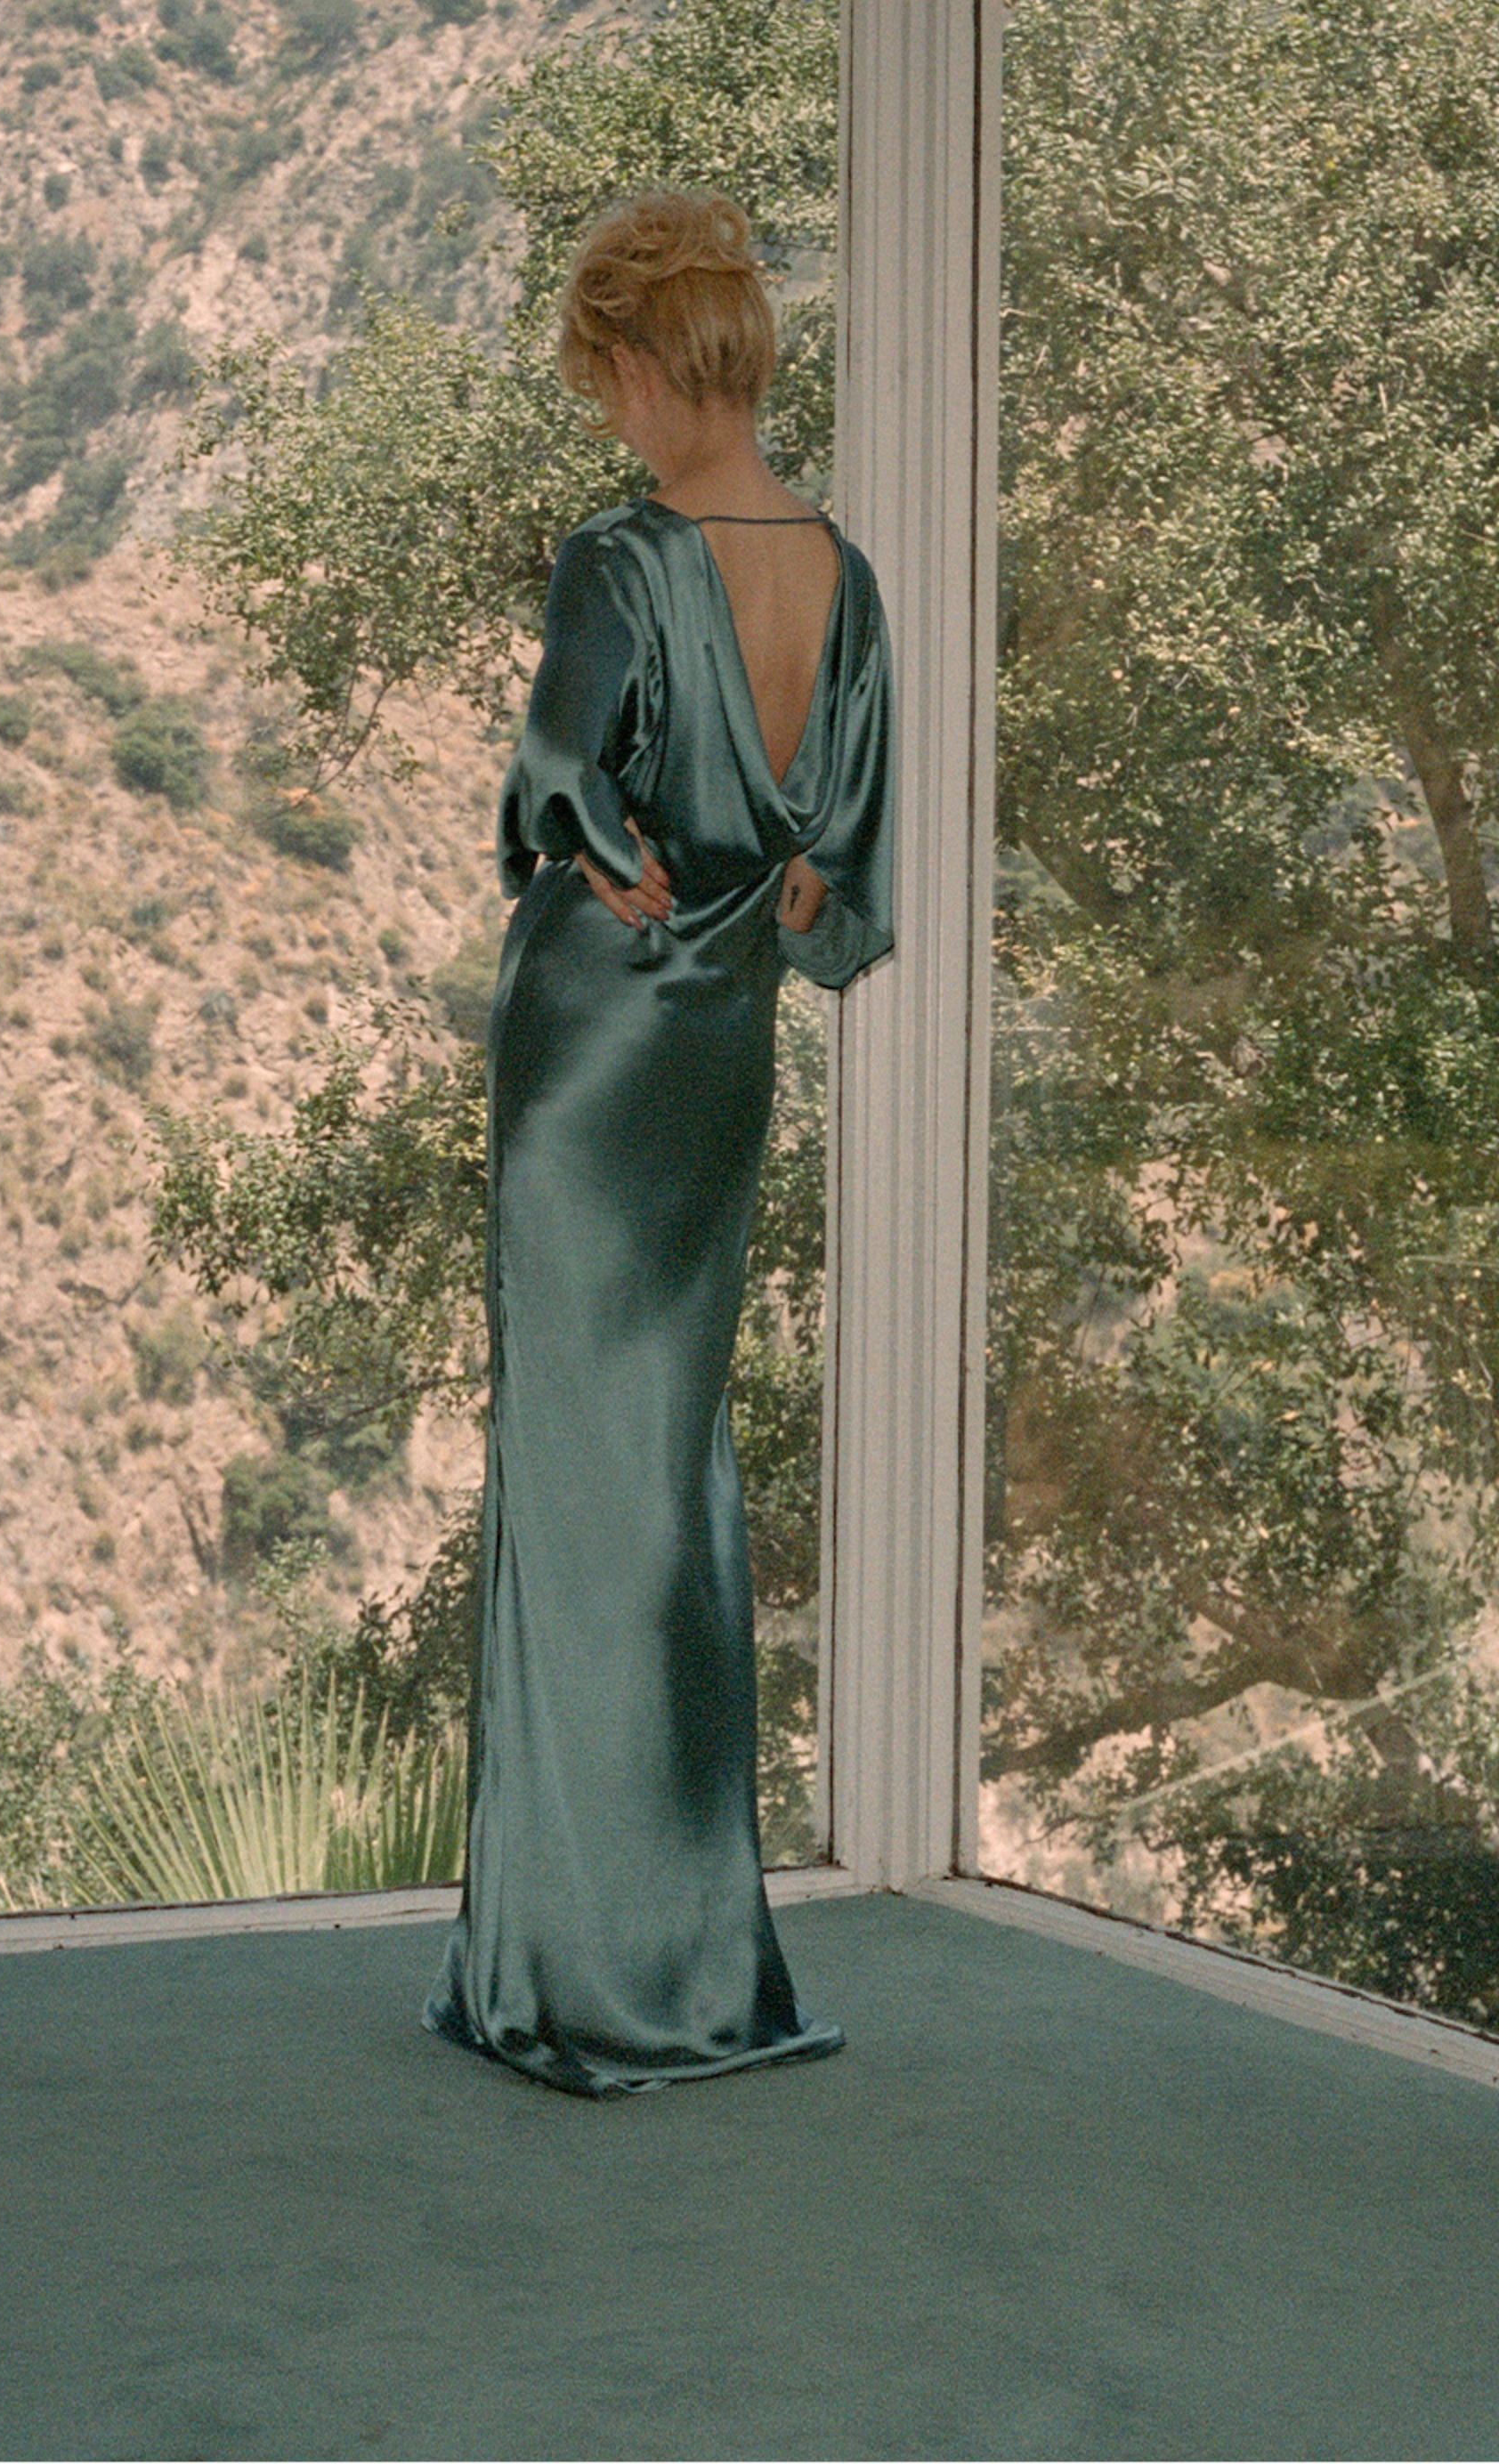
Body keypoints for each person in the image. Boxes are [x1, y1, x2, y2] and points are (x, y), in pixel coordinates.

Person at [424, 190, 895, 2096]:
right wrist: (729, 895)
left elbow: (556, 780)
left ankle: (571, 1974)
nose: (607, 416)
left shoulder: (619, 556)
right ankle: (696, 1962)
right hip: (717, 1059)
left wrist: (605, 865)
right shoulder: (841, 573)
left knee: (570, 1484)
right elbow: (833, 885)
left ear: (637, 363)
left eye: (601, 378)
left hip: (589, 1061)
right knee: (672, 1479)